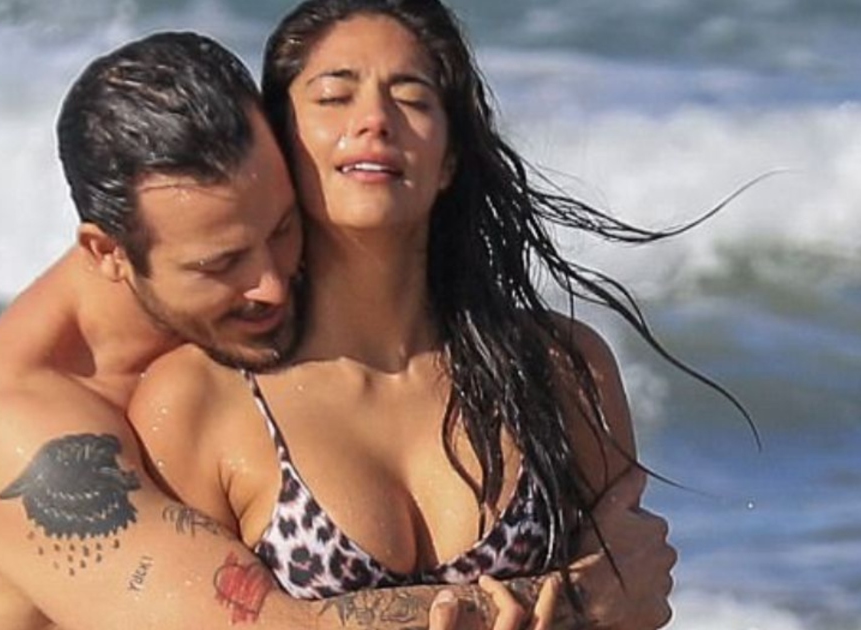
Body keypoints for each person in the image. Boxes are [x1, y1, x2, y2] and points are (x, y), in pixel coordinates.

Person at [0, 30, 571, 630]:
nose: (273, 285)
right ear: (108, 253)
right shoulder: (11, 429)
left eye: (283, 228)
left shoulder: (236, 320)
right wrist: (581, 594)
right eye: (221, 264)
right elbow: (266, 625)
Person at [128, 1, 682, 628]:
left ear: (449, 159)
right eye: (335, 97)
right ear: (278, 147)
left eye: (413, 98)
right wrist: (554, 606)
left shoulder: (558, 369)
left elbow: (635, 595)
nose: (375, 120)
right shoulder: (201, 399)